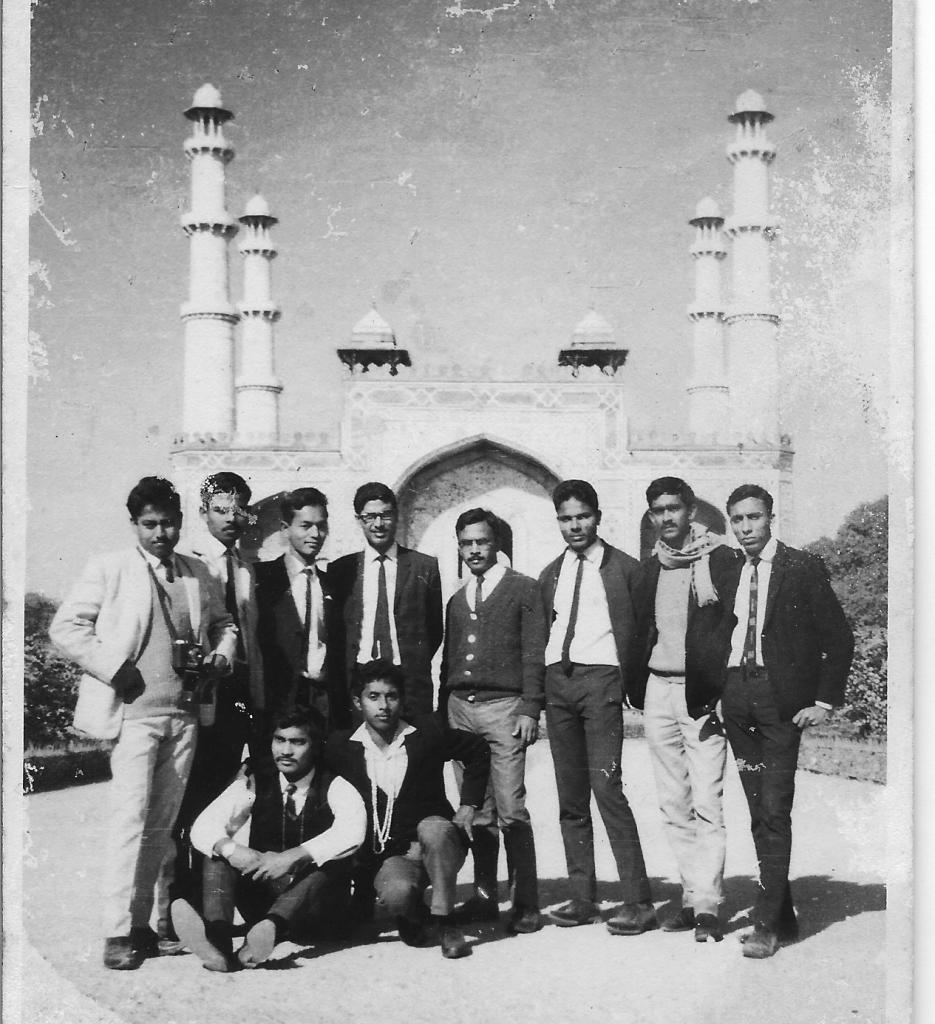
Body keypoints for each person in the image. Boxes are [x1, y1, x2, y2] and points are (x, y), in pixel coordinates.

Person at [49, 476, 238, 970]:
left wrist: (221, 655)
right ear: (134, 524)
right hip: (133, 718)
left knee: (161, 826)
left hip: (185, 715)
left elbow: (224, 624)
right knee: (129, 823)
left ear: (181, 522)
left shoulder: (197, 572)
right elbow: (66, 626)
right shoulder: (109, 567)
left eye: (169, 523)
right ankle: (115, 934)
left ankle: (143, 926)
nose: (160, 533)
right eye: (150, 524)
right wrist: (115, 667)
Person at [720, 484, 854, 959]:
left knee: (775, 809)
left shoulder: (801, 567)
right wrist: (717, 693)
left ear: (770, 518)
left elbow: (838, 638)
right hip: (737, 699)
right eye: (737, 520)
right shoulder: (729, 568)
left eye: (754, 517)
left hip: (780, 704)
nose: (745, 528)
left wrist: (824, 701)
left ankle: (765, 926)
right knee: (759, 811)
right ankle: (783, 917)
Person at [538, 479, 656, 935]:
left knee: (607, 787)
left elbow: (644, 630)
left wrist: (631, 683)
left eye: (583, 516)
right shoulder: (552, 572)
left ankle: (638, 900)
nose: (575, 526)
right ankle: (582, 896)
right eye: (566, 519)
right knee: (570, 797)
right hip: (558, 683)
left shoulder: (625, 568)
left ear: (598, 517)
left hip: (602, 680)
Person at [171, 708, 366, 971]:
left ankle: (271, 929)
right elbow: (205, 824)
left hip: (316, 910)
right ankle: (218, 940)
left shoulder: (335, 785)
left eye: (298, 742)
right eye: (279, 740)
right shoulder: (259, 781)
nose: (286, 751)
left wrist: (292, 857)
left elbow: (352, 832)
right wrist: (232, 850)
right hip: (264, 900)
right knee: (218, 853)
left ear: (315, 746)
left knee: (331, 862)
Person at [627, 477, 737, 942]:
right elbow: (640, 630)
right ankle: (692, 896)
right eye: (658, 510)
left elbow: (733, 630)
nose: (667, 517)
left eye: (674, 508)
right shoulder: (650, 567)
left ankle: (708, 904)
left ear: (691, 511)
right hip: (659, 689)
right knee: (674, 801)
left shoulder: (722, 560)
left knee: (707, 800)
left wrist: (723, 692)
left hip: (702, 694)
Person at [326, 661, 490, 959]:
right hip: (393, 854)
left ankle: (446, 922)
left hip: (437, 844)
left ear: (402, 700)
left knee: (434, 828)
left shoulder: (426, 733)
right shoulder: (342, 746)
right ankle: (413, 913)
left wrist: (469, 804)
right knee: (397, 894)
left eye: (391, 696)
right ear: (358, 702)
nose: (383, 706)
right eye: (373, 697)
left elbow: (478, 749)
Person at [438, 508, 544, 935]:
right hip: (460, 710)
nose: (475, 550)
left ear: (496, 543)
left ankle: (525, 903)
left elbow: (534, 652)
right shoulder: (457, 598)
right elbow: (447, 661)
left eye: (482, 541)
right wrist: (442, 715)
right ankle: (484, 897)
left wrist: (530, 707)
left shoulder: (523, 588)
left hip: (504, 709)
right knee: (477, 811)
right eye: (466, 544)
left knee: (510, 809)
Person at [328, 482, 443, 719]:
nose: (378, 524)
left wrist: (411, 660)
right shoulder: (342, 569)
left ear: (397, 516)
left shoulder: (424, 566)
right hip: (358, 680)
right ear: (359, 520)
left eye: (385, 515)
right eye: (370, 517)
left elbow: (434, 630)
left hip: (409, 684)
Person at [254, 488, 341, 729]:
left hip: (323, 702)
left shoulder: (332, 583)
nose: (315, 534)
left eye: (321, 526)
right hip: (278, 702)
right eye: (306, 526)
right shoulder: (262, 579)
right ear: (285, 529)